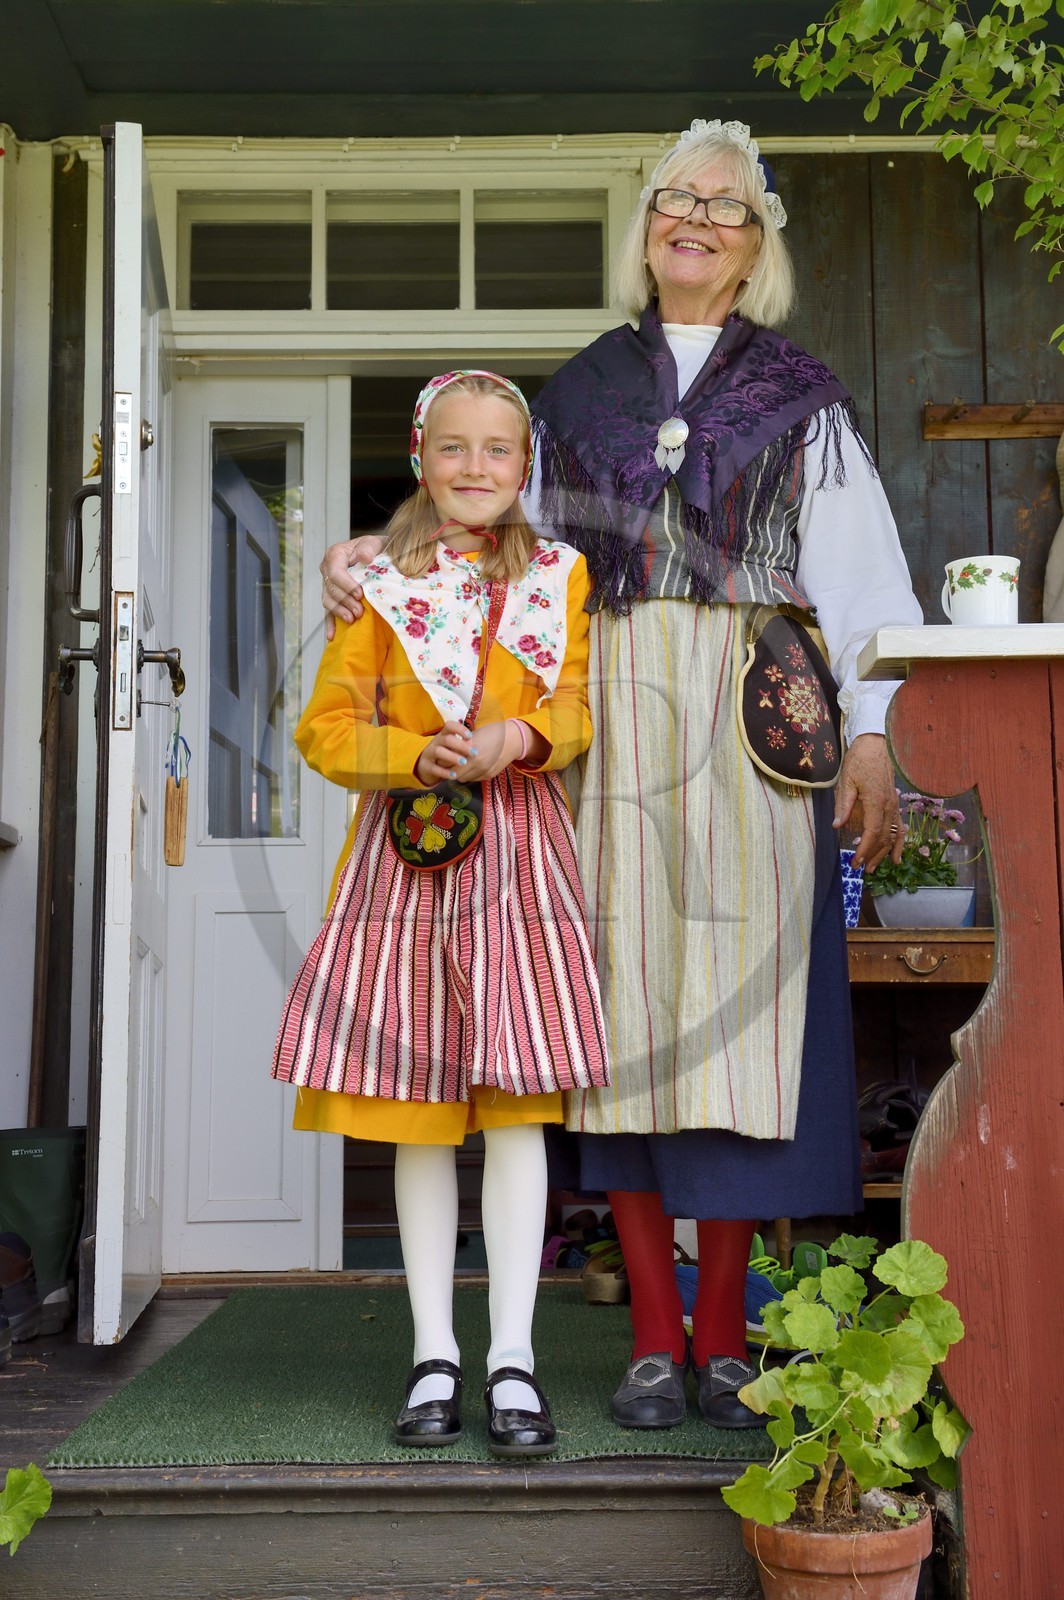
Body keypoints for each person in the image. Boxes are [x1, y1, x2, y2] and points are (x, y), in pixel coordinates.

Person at [319, 121, 922, 1432]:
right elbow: (476, 522)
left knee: (751, 1032)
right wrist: (369, 557)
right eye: (674, 199)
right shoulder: (576, 391)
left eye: (726, 204)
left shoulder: (804, 399)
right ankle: (654, 1336)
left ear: (758, 243)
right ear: (644, 226)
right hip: (610, 725)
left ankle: (723, 1339)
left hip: (763, 721)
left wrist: (870, 733)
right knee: (625, 1027)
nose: (695, 218)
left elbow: (866, 582)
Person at [273, 370, 609, 1457]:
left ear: (525, 465)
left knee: (513, 1103)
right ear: (421, 458)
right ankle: (434, 1351)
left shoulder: (561, 573)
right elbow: (324, 729)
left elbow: (573, 705)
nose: (475, 467)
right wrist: (408, 751)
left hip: (514, 849)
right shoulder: (378, 583)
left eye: (497, 450)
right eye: (453, 447)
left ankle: (512, 1354)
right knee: (415, 1103)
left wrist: (518, 741)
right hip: (406, 856)